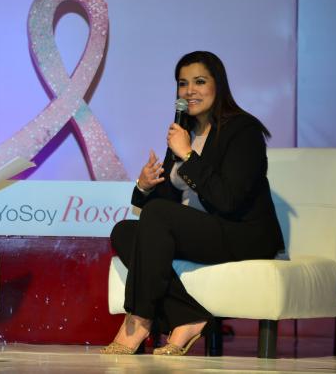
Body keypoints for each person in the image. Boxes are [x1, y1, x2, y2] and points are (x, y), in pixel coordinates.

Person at [104, 51, 285, 356]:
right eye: (183, 84)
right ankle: (188, 317)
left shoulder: (244, 131)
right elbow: (162, 210)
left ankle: (140, 318)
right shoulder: (183, 133)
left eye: (199, 81)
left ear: (219, 85)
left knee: (159, 216)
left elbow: (229, 199)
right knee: (124, 231)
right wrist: (145, 187)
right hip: (204, 232)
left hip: (242, 234)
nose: (190, 91)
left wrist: (188, 155)